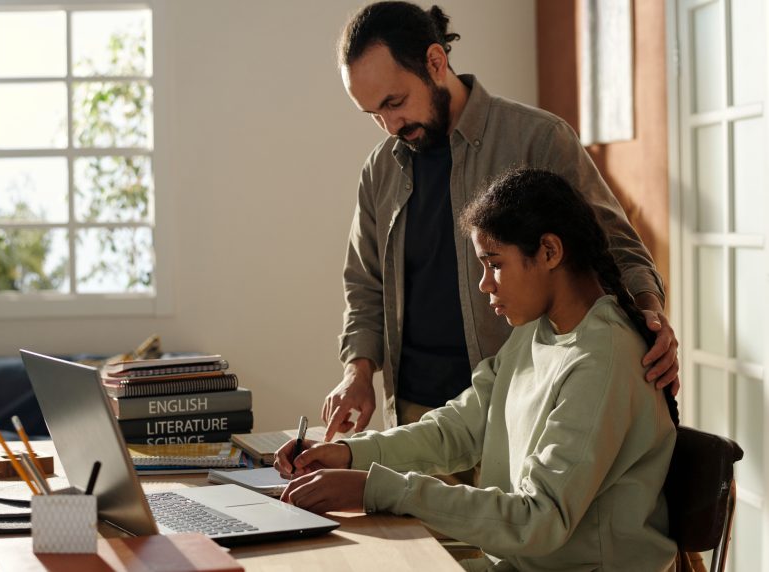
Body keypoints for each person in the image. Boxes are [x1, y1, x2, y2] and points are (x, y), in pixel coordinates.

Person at [279, 169, 680, 571]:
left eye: (494, 264)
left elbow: (538, 519)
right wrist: (350, 455)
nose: (485, 285)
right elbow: (459, 429)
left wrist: (376, 488)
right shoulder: (536, 332)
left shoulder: (602, 358)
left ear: (549, 252)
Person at [321, 1, 680, 442]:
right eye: (373, 114)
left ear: (436, 62)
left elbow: (617, 248)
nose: (389, 124)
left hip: (523, 412)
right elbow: (365, 285)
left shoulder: (538, 139)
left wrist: (650, 314)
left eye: (395, 102)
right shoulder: (379, 170)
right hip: (416, 418)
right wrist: (357, 372)